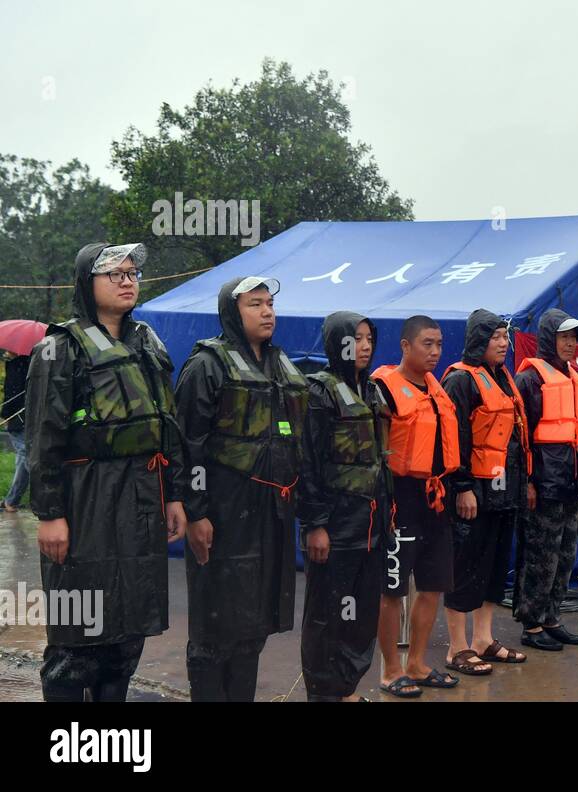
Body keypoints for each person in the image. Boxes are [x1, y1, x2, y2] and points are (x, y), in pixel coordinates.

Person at [25, 242, 186, 701]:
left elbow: (167, 426)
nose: (127, 280)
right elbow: (42, 439)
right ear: (86, 283)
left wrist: (173, 495)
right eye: (114, 273)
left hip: (140, 500)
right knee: (77, 640)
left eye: (132, 272)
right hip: (85, 501)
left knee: (126, 636)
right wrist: (50, 514)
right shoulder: (59, 349)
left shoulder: (147, 343)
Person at [176, 275, 305, 701]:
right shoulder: (207, 366)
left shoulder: (281, 364)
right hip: (223, 515)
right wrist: (196, 512)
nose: (268, 311)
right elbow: (187, 445)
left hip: (270, 515)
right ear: (233, 311)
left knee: (253, 628)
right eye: (256, 304)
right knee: (215, 631)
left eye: (270, 303)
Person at [297, 311, 391, 701]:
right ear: (338, 342)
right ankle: (323, 692)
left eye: (370, 338)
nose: (365, 345)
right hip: (336, 528)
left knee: (361, 615)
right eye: (356, 338)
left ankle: (346, 689)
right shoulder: (319, 393)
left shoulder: (372, 392)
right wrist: (315, 524)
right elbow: (308, 464)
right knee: (327, 616)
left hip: (372, 527)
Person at [370, 315, 462, 696]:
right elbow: (374, 452)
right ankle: (391, 670)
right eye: (427, 344)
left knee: (432, 586)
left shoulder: (436, 388)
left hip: (435, 500)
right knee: (393, 590)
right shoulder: (383, 388)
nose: (435, 352)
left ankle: (418, 663)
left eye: (439, 344)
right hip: (399, 501)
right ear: (405, 346)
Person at [441, 309, 530, 674]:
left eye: (506, 338)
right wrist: (463, 487)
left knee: (494, 566)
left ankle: (483, 638)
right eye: (496, 337)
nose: (504, 343)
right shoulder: (461, 381)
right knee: (465, 564)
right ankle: (457, 647)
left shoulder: (504, 379)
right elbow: (455, 438)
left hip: (503, 490)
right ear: (479, 339)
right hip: (474, 490)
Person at [513, 308, 578, 651]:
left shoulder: (576, 379)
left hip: (571, 484)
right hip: (544, 484)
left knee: (564, 557)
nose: (571, 344)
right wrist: (527, 482)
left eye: (574, 337)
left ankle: (551, 617)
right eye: (564, 337)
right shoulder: (530, 380)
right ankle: (531, 624)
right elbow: (519, 438)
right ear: (548, 338)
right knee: (540, 557)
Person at [3, 351, 30, 512]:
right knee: (23, 458)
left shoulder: (16, 367)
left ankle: (12, 500)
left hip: (18, 419)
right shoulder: (30, 364)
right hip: (27, 418)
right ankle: (12, 500)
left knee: (25, 456)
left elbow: (11, 394)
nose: (6, 350)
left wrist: (5, 415)